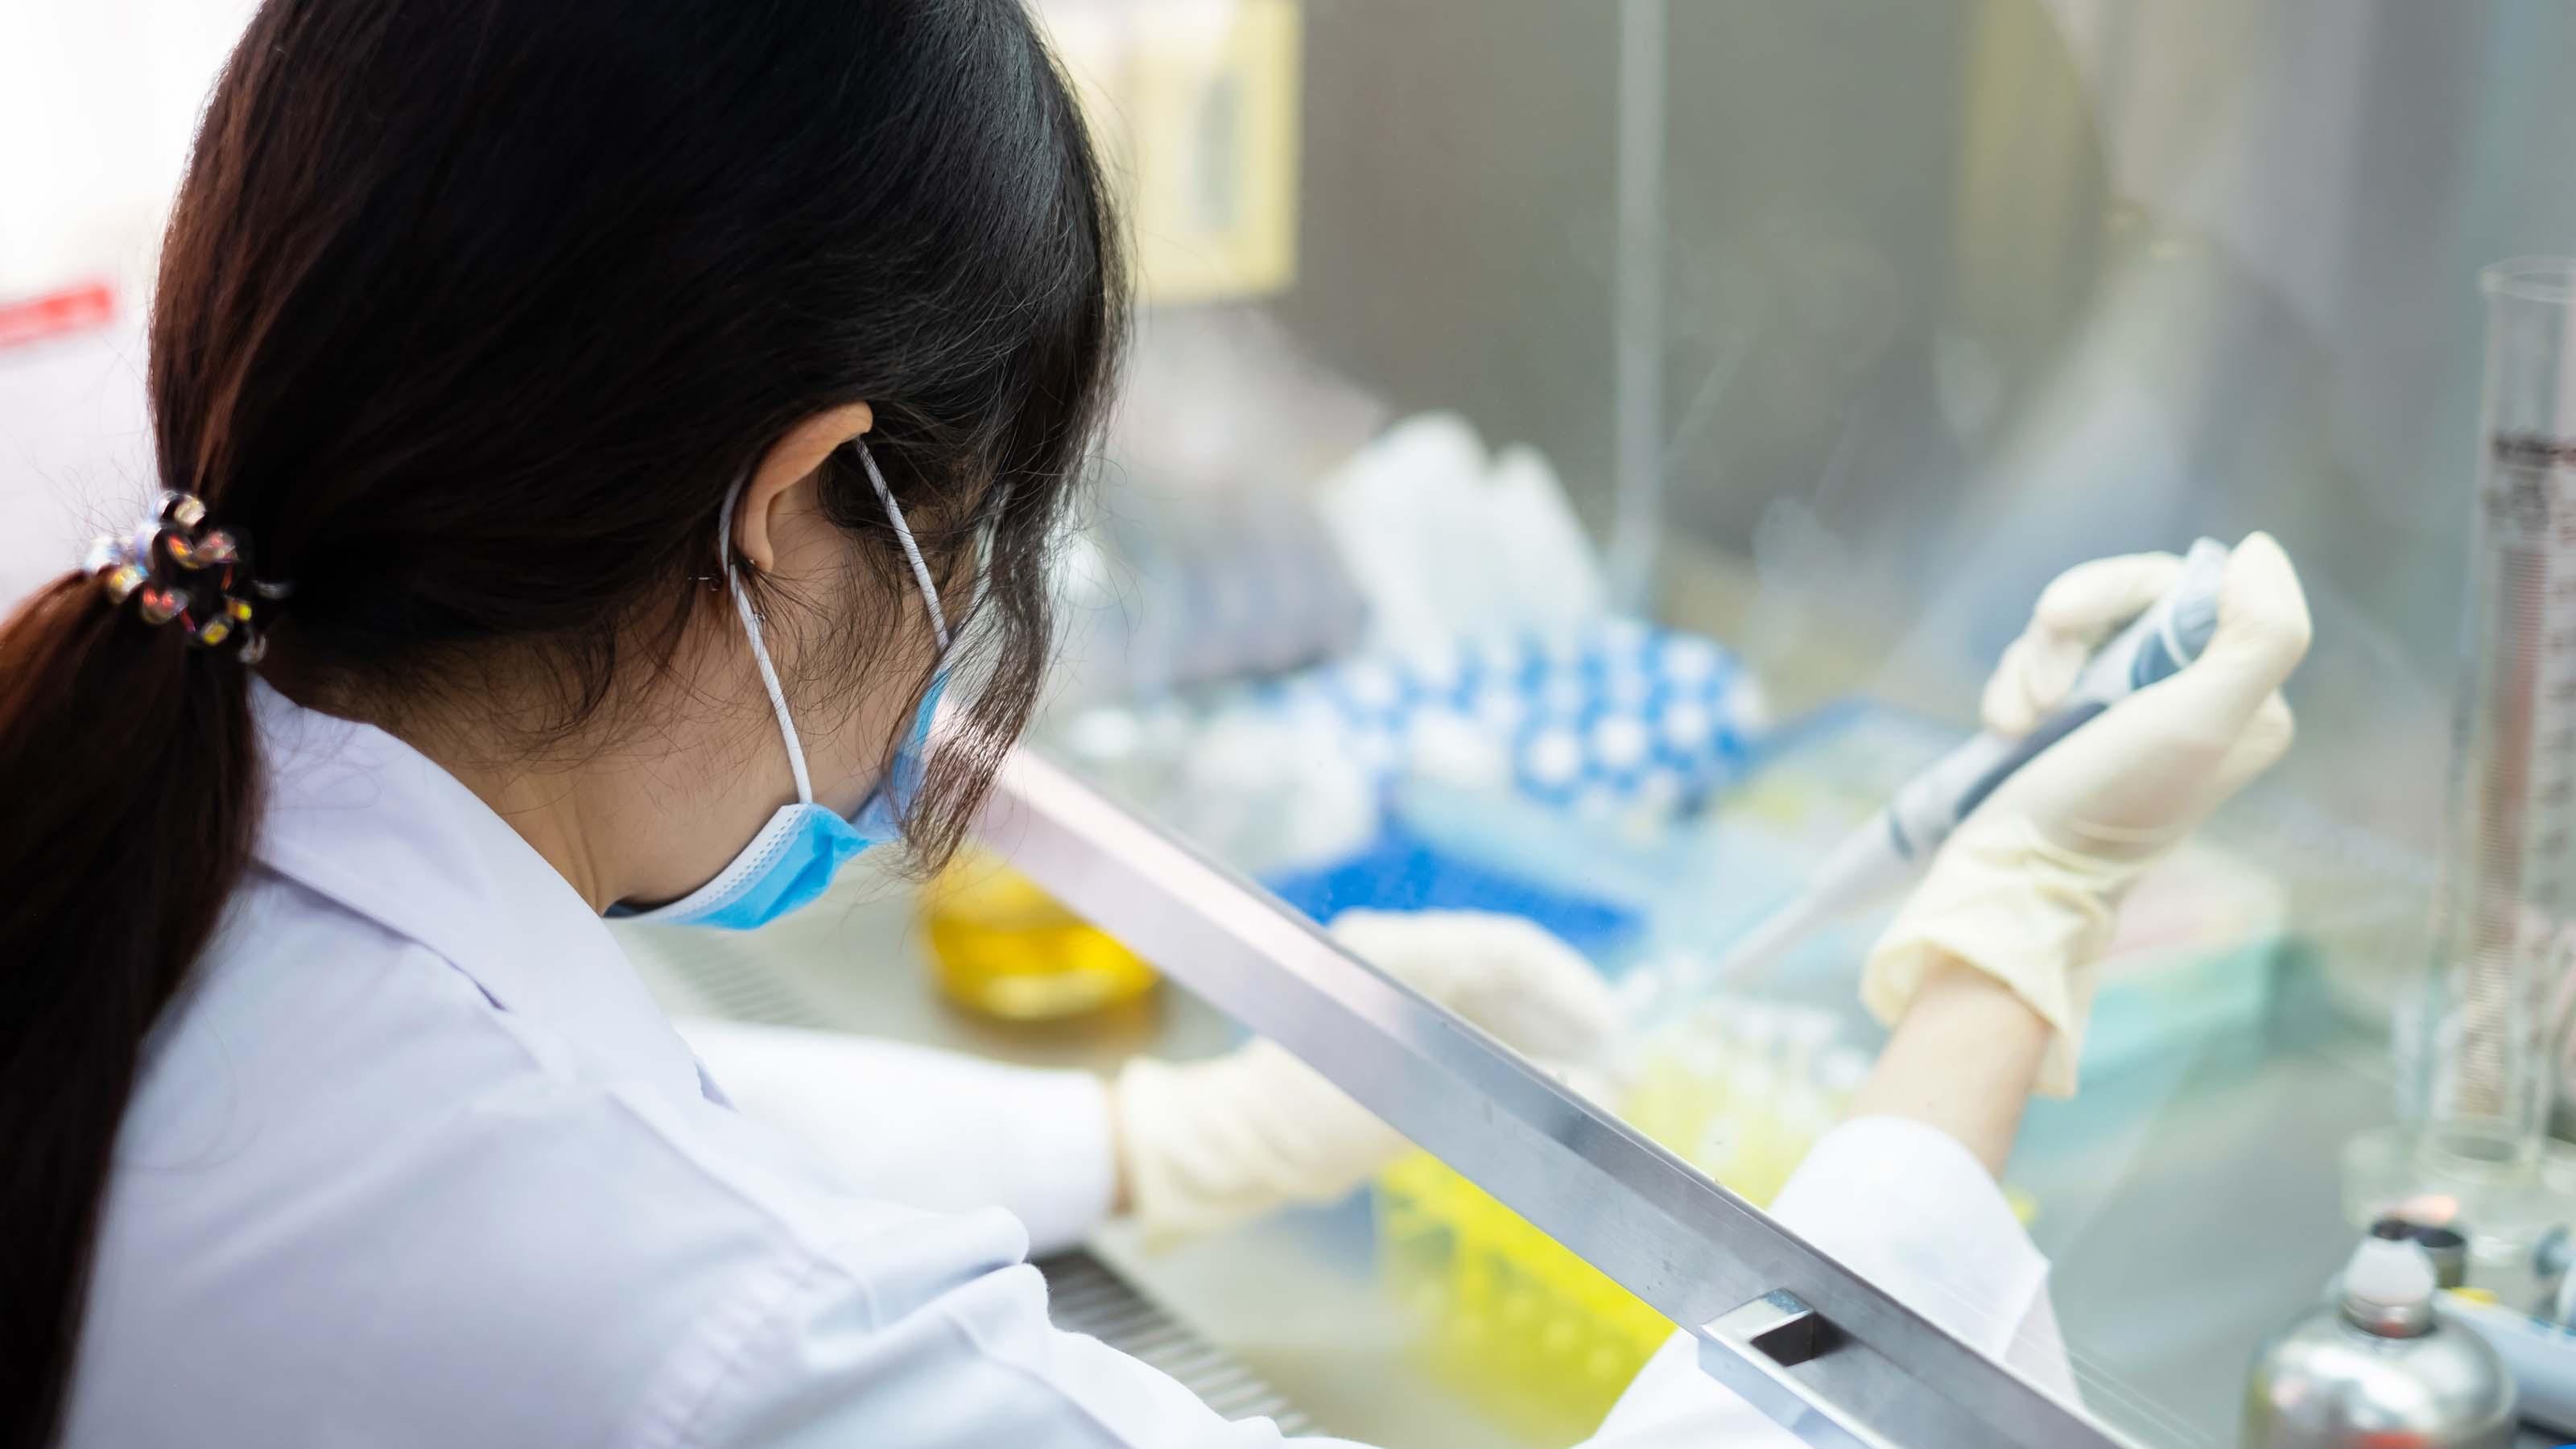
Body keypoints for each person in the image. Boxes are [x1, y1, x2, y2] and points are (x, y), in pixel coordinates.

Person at [0, 2, 2310, 1446]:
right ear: (806, 505)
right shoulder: (696, 1331)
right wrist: (2000, 962)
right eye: (971, 536)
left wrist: (1168, 1147)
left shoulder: (136, 828)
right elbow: (671, 1239)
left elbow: (660, 1113)